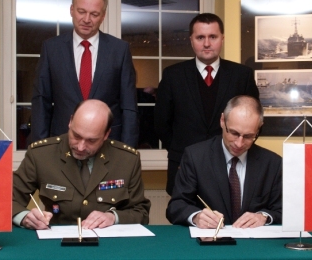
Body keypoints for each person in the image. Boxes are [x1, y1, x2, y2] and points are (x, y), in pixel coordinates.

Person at [154, 13, 259, 195]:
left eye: (213, 37)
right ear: (191, 40)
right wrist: (183, 150)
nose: (207, 43)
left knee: (229, 221)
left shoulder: (242, 75)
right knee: (184, 217)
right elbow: (161, 124)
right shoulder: (173, 75)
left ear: (222, 39)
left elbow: (255, 121)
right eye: (200, 37)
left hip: (230, 165)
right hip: (184, 165)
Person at [13, 99, 150, 230]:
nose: (80, 147)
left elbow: (141, 212)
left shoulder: (127, 160)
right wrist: (24, 217)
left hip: (109, 247)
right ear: (70, 122)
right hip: (57, 245)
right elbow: (5, 200)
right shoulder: (41, 155)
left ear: (106, 134)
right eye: (76, 136)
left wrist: (113, 217)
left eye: (91, 140)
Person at [31, 0, 138, 148]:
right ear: (72, 10)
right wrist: (40, 147)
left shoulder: (119, 50)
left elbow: (129, 106)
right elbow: (41, 101)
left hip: (108, 144)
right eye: (81, 12)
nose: (87, 20)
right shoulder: (51, 49)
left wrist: (128, 150)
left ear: (103, 16)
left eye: (94, 14)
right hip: (62, 142)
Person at [166, 95, 282, 228]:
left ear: (259, 128)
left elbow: (283, 210)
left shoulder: (273, 163)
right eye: (233, 133)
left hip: (255, 245)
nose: (239, 143)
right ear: (222, 121)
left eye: (249, 136)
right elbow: (176, 206)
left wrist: (264, 217)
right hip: (210, 244)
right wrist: (197, 216)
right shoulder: (195, 157)